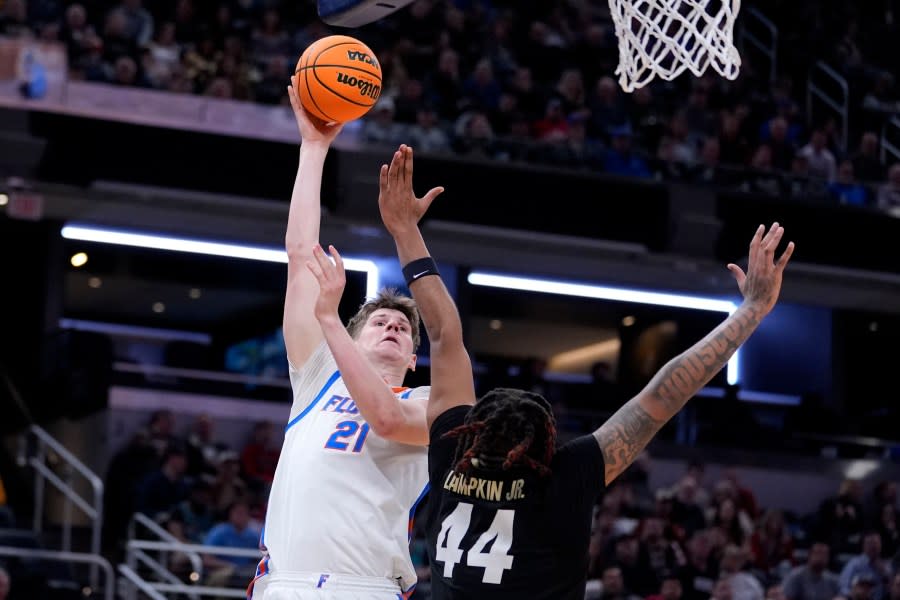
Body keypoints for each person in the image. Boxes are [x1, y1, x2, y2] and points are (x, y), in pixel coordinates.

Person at [371, 144, 794, 598]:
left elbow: (443, 334)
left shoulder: (451, 450)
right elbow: (663, 396)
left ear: (471, 429)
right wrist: (750, 311)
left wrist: (404, 231)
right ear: (546, 442)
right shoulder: (563, 478)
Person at [248, 78, 435, 599]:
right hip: (283, 584)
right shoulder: (316, 377)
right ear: (352, 338)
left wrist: (332, 319)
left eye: (404, 328)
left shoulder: (427, 402)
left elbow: (389, 420)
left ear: (415, 359)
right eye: (380, 321)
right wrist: (314, 147)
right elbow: (300, 254)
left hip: (365, 587)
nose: (394, 326)